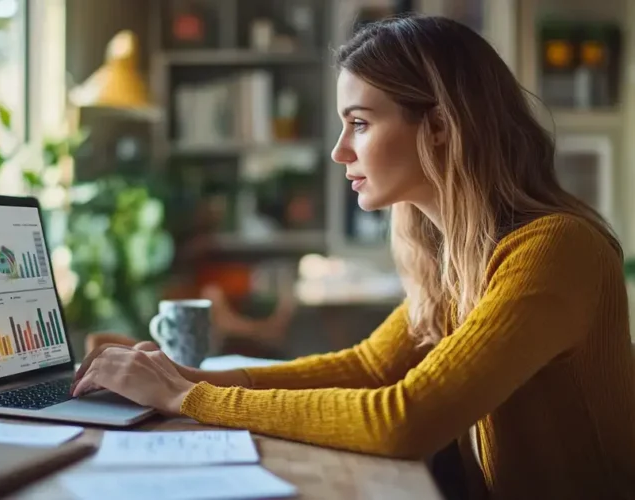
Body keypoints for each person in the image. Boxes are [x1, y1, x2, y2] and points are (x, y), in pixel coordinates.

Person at [70, 15, 635, 499]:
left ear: (439, 127)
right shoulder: (456, 258)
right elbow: (369, 367)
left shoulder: (555, 249)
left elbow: (405, 420)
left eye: (359, 123)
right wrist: (185, 375)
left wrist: (190, 396)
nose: (340, 150)